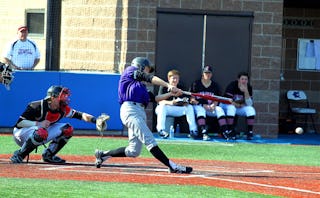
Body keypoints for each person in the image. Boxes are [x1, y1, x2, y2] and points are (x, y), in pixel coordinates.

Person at [94, 57, 192, 174]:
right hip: (130, 110)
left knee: (133, 151)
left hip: (139, 112)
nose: (147, 71)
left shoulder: (140, 86)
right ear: (139, 66)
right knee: (150, 140)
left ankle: (102, 154)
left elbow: (154, 98)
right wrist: (168, 85)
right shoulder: (130, 71)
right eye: (146, 69)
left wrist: (171, 93)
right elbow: (149, 78)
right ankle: (172, 166)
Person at [10, 85, 103, 164]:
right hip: (21, 134)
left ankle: (48, 155)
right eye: (62, 96)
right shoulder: (37, 106)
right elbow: (19, 123)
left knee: (67, 129)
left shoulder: (62, 109)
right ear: (52, 97)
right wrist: (38, 123)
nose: (65, 98)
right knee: (41, 132)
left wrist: (96, 120)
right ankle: (19, 155)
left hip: (39, 132)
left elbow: (81, 115)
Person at [155, 69, 198, 139]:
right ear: (169, 79)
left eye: (177, 78)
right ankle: (161, 130)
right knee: (162, 106)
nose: (175, 80)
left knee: (189, 107)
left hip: (176, 109)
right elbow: (159, 101)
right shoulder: (164, 86)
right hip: (165, 109)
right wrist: (171, 102)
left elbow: (187, 100)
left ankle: (193, 131)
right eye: (173, 78)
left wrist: (185, 102)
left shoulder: (181, 87)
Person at [189, 66, 229, 141]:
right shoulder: (196, 84)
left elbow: (217, 98)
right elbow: (191, 99)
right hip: (198, 106)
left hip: (210, 107)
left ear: (211, 74)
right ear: (202, 74)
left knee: (219, 109)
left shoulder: (215, 85)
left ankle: (225, 131)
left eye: (209, 73)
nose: (207, 74)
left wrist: (214, 104)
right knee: (201, 110)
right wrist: (202, 105)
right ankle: (204, 131)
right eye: (206, 73)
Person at [220, 72, 256, 140]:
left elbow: (249, 104)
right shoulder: (232, 85)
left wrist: (246, 91)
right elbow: (228, 100)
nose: (244, 81)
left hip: (238, 106)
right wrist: (237, 104)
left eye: (246, 79)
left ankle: (249, 132)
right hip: (225, 105)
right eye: (242, 79)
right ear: (238, 79)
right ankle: (230, 130)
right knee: (231, 107)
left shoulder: (249, 87)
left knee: (251, 110)